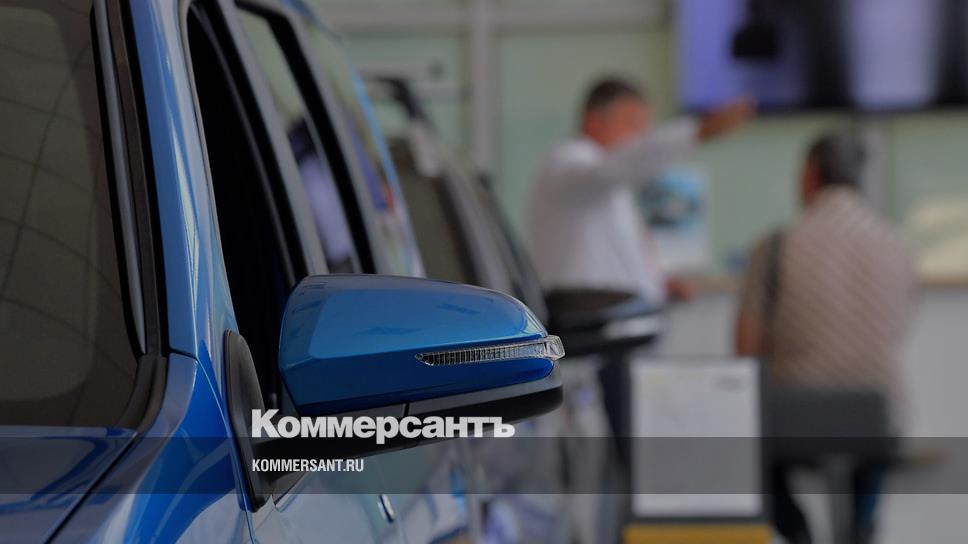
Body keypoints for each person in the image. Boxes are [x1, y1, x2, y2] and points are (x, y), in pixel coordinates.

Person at [735, 130, 917, 544]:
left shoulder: (776, 245)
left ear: (810, 174)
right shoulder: (896, 244)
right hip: (879, 416)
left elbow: (746, 349)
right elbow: (898, 327)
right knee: (875, 430)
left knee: (746, 441)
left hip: (795, 417)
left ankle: (799, 533)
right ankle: (862, 525)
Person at [528, 76, 753, 306]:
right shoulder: (569, 160)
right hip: (585, 310)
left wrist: (659, 282)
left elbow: (618, 257)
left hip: (617, 311)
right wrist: (696, 132)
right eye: (632, 124)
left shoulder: (608, 182)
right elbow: (617, 166)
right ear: (594, 121)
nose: (640, 137)